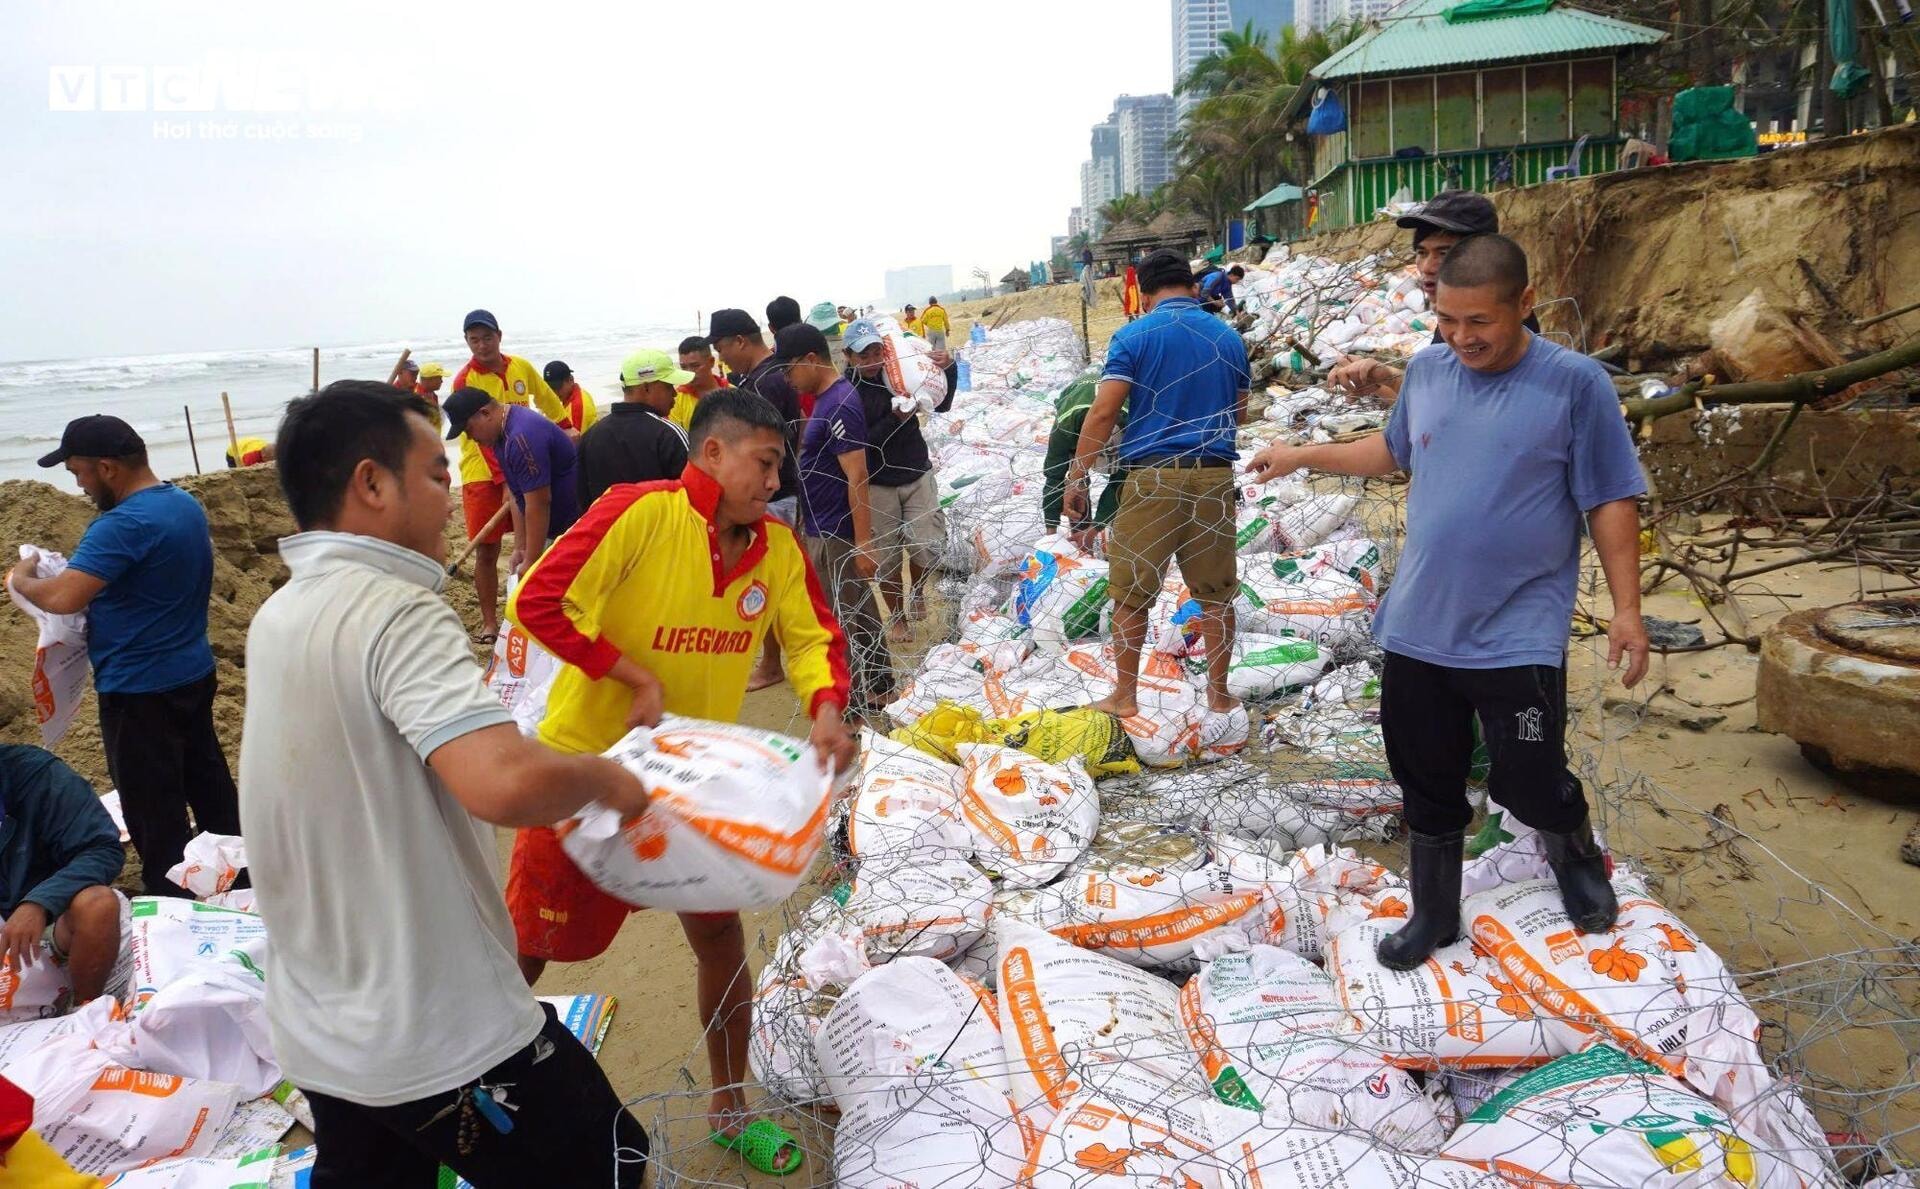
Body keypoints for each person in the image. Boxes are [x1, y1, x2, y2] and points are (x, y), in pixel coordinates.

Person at [241, 381, 651, 1187]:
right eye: (436, 475)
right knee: (613, 1160)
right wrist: (610, 775)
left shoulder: (279, 615)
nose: (456, 501)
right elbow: (498, 780)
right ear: (370, 483)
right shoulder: (397, 607)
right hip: (437, 1027)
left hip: (323, 1023)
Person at [1246, 234, 1648, 971]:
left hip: (1517, 626)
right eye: (1448, 319)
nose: (1461, 337)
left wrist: (1627, 608)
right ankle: (1434, 912)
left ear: (1525, 304)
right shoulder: (1428, 370)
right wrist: (1300, 454)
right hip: (1421, 622)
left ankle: (1575, 850)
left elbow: (1610, 498)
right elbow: (1392, 452)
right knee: (1423, 773)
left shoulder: (1576, 384)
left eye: (1480, 322)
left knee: (1526, 772)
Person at [505, 390, 855, 1178]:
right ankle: (457, 1111)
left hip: (693, 786)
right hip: (583, 776)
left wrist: (826, 710)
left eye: (779, 467)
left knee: (719, 939)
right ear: (713, 454)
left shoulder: (775, 546)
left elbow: (811, 637)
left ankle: (729, 1106)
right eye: (764, 463)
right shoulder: (639, 513)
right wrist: (628, 674)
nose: (773, 482)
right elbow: (538, 600)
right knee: (524, 952)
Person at [12, 415, 240, 898]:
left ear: (108, 467)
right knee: (207, 780)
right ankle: (239, 869)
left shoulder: (123, 525)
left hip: (139, 690)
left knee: (153, 809)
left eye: (79, 472)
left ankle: (172, 897)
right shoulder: (181, 504)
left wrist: (22, 577)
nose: (78, 485)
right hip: (192, 671)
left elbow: (63, 598)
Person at [1062, 248, 1249, 757]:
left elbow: (1102, 414)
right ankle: (1218, 693)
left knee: (1130, 593)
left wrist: (1076, 479)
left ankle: (1124, 695)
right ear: (1191, 287)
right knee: (1216, 593)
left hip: (1152, 481)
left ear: (1143, 292)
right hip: (1213, 479)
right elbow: (1241, 408)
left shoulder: (1134, 335)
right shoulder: (1228, 337)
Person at [1328, 190, 1538, 402]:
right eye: (1422, 253)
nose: (1427, 267)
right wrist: (1375, 381)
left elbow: (1464, 408)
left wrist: (1389, 378)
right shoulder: (1455, 318)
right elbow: (1435, 400)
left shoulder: (1503, 325)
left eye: (1444, 253)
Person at [782, 323, 895, 714]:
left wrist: (864, 542)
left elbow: (858, 474)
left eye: (789, 369)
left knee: (850, 612)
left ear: (811, 360)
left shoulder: (840, 402)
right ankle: (872, 689)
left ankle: (869, 693)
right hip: (820, 524)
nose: (788, 379)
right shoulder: (825, 400)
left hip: (837, 529)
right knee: (846, 609)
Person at [451, 309, 569, 645]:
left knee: (536, 533)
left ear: (499, 336)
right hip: (481, 473)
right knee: (487, 550)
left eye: (487, 337)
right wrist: (504, 481)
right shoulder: (464, 380)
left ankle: (535, 608)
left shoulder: (521, 367)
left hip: (524, 461)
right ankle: (490, 622)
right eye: (474, 340)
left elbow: (547, 400)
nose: (482, 345)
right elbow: (482, 435)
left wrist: (567, 428)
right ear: (467, 342)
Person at [707, 309, 810, 692]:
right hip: (782, 490)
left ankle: (772, 663)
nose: (721, 358)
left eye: (720, 347)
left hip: (775, 494)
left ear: (739, 341)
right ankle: (775, 659)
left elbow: (772, 446)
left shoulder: (765, 383)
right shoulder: (766, 376)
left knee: (768, 581)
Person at [840, 319, 956, 641]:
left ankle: (918, 588)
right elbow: (861, 445)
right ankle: (898, 617)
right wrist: (896, 419)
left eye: (877, 351)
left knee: (926, 546)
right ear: (849, 355)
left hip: (916, 471)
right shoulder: (847, 393)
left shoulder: (900, 373)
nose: (872, 360)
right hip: (877, 482)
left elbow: (942, 404)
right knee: (888, 557)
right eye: (863, 355)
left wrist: (950, 368)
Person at [0, 744, 124, 1009]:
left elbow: (101, 848)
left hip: (49, 929)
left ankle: (82, 1012)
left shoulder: (37, 775)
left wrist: (40, 903)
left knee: (98, 904)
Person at [443, 389, 582, 580]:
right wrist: (520, 547)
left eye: (468, 429)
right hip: (547, 528)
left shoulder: (521, 437)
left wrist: (532, 559)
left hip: (568, 528)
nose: (470, 437)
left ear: (485, 413)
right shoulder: (501, 435)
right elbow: (518, 495)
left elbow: (539, 503)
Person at [577, 350, 693, 506]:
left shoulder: (590, 436)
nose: (674, 393)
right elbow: (693, 494)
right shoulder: (669, 434)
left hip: (610, 529)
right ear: (646, 388)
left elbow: (582, 501)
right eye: (668, 386)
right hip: (662, 529)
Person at [1042, 370, 1127, 535]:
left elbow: (1120, 481)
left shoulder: (1134, 426)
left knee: (1129, 488)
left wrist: (1097, 526)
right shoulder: (1065, 427)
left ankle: (1110, 535)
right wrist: (1050, 533)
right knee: (1075, 487)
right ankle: (1080, 534)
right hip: (1076, 419)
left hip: (1121, 415)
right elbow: (1054, 475)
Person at [673, 335, 729, 431]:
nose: (689, 372)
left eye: (695, 365)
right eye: (684, 367)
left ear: (711, 362)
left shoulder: (732, 392)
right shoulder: (676, 400)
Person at [541, 360, 600, 438]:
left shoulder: (576, 407)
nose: (554, 393)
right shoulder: (579, 392)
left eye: (557, 387)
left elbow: (574, 443)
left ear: (571, 380)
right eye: (550, 388)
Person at [416, 363, 447, 428]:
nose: (442, 381)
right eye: (439, 378)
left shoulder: (431, 394)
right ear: (429, 380)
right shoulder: (417, 397)